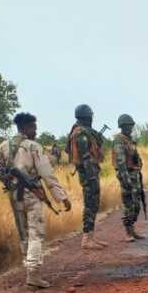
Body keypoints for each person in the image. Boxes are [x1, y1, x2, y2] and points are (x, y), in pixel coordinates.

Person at [0, 111, 71, 289]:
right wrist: (61, 197)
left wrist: (9, 178)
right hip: (32, 194)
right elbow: (47, 174)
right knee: (36, 233)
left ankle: (29, 269)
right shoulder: (34, 146)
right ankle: (33, 274)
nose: (35, 131)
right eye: (33, 127)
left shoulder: (5, 145)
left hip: (14, 195)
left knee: (24, 232)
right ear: (26, 128)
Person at [66, 103, 105, 250]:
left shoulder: (81, 131)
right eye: (90, 116)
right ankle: (86, 239)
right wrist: (92, 177)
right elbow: (86, 157)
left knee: (93, 204)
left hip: (91, 173)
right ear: (87, 117)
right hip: (89, 175)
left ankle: (91, 237)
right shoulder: (80, 133)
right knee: (90, 205)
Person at [113, 113, 145, 241]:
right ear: (123, 126)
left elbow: (136, 156)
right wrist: (125, 179)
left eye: (131, 125)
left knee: (137, 204)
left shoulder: (129, 140)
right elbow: (120, 162)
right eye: (129, 125)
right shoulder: (119, 140)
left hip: (134, 175)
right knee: (128, 204)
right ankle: (128, 232)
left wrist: (139, 165)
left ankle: (132, 229)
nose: (131, 127)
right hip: (126, 175)